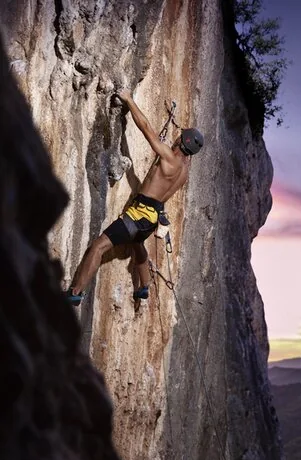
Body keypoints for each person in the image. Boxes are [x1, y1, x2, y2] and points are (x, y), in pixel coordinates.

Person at [65, 89, 204, 306]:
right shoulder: (184, 173)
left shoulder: (168, 157)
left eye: (180, 134)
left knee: (99, 246)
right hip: (151, 218)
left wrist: (128, 99)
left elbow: (146, 129)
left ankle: (76, 292)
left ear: (182, 139)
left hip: (138, 214)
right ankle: (143, 288)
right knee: (138, 243)